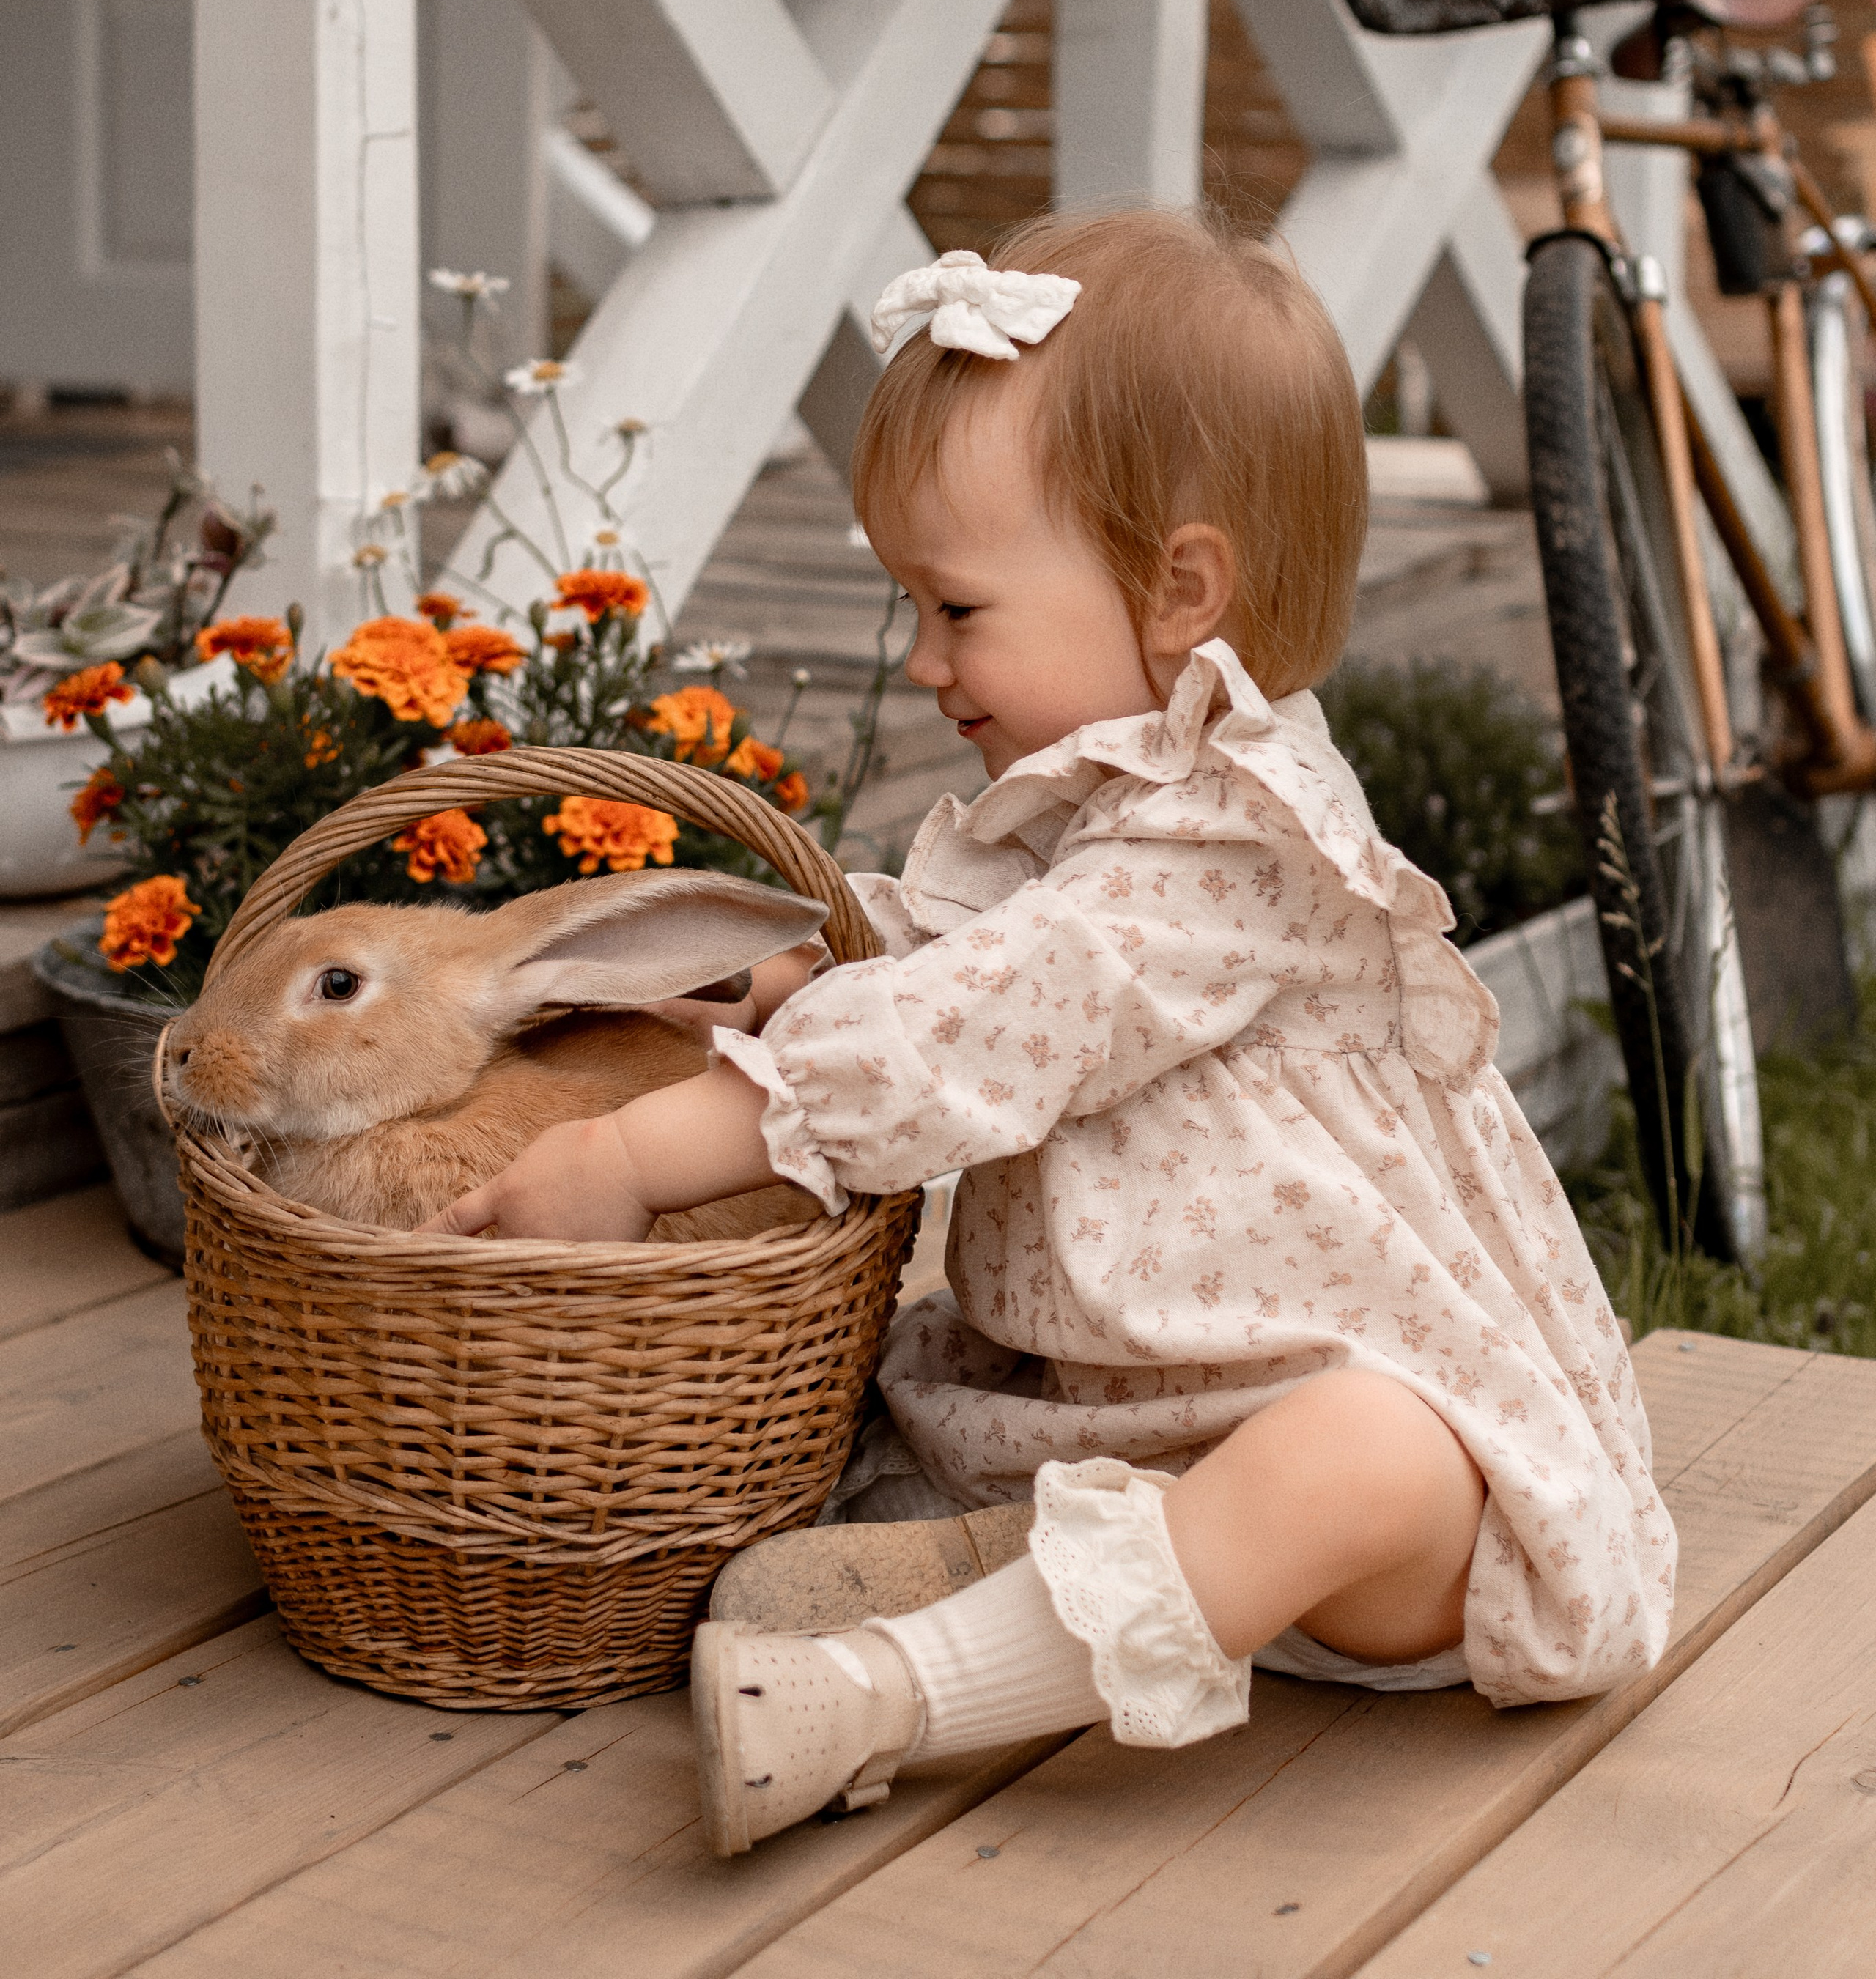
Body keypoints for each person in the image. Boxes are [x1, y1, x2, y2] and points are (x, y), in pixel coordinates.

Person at [424, 209, 1674, 1861]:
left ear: (1178, 589)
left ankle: (893, 1695)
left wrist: (636, 1152)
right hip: (1132, 1405)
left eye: (953, 608)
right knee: (1032, 1441)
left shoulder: (1237, 842)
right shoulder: (1083, 803)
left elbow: (968, 1028)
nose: (926, 663)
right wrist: (787, 972)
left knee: (1363, 1454)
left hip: (1373, 1492)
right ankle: (1052, 1561)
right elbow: (960, 955)